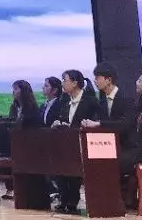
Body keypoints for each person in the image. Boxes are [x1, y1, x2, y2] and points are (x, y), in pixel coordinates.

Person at [84, 62, 142, 208]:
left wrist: (99, 124)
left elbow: (124, 125)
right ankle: (103, 201)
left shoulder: (126, 99)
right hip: (112, 147)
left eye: (98, 78)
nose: (95, 81)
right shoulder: (103, 101)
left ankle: (116, 200)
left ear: (108, 80)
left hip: (130, 148)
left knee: (108, 162)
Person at [52, 69, 100, 214]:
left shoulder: (90, 101)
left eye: (65, 80)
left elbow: (97, 121)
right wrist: (59, 123)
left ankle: (72, 200)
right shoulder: (65, 101)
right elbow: (65, 120)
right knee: (59, 164)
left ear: (74, 83)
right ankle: (64, 198)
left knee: (74, 166)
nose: (62, 83)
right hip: (67, 143)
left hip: (85, 145)